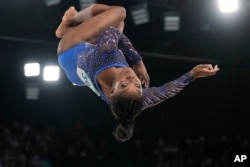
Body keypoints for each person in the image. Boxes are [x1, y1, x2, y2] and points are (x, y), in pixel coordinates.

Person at [55, 4, 220, 142]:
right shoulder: (132, 100)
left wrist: (138, 62)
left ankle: (69, 23)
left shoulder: (103, 54)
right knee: (114, 24)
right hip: (76, 77)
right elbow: (167, 91)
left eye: (125, 84)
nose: (132, 78)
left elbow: (115, 33)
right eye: (138, 86)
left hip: (69, 51)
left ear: (112, 92)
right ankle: (77, 26)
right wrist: (193, 74)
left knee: (119, 14)